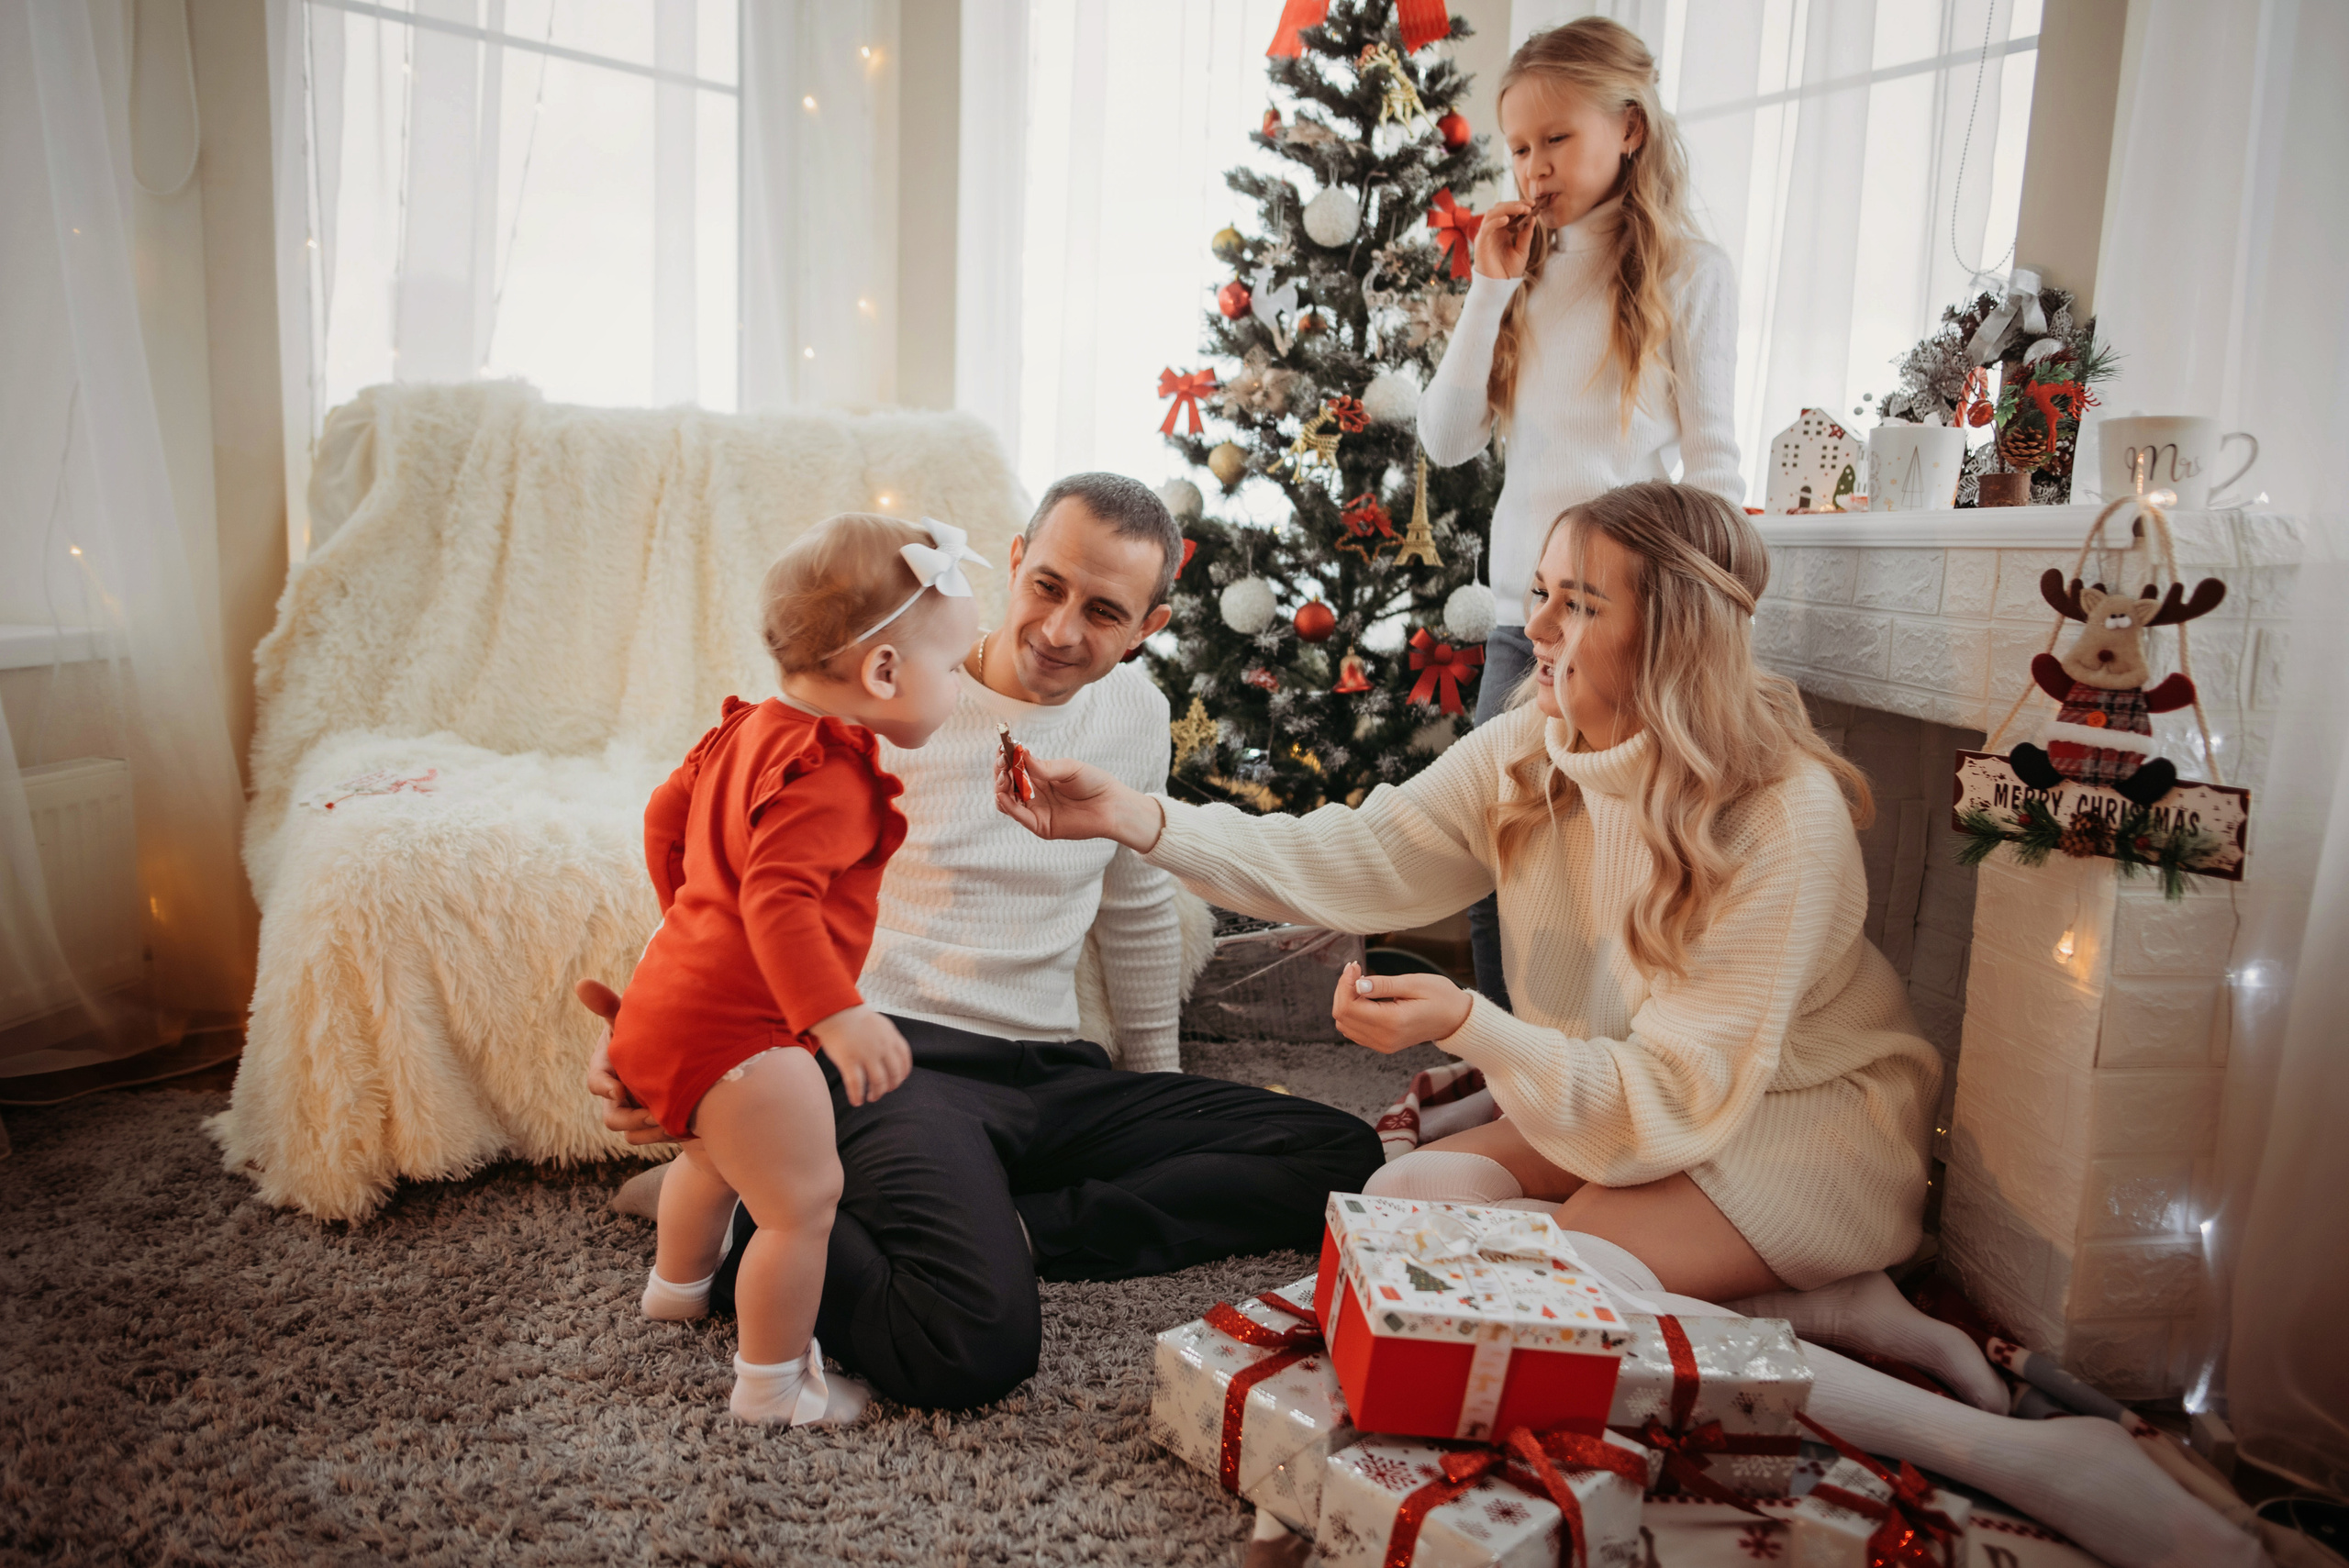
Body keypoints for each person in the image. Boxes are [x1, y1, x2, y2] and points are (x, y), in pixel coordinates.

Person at [996, 483, 2260, 1568]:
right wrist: (1135, 817)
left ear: (1671, 632)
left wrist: (1476, 1026)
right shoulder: (1533, 743)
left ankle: (2016, 1453)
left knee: (1562, 1287)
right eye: (1541, 592)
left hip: (1796, 1122)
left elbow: (1672, 1105)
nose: (1536, 627)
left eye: (1578, 603)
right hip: (1636, 1093)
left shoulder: (1780, 814)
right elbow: (1361, 853)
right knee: (1408, 1196)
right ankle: (1824, 1309)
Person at [586, 473, 1385, 1411]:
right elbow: (729, 877)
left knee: (1340, 1153)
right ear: (1013, 560)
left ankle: (1024, 1228)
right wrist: (670, 1041)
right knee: (967, 1341)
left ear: (1148, 626)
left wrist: (1155, 1087)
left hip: (1051, 1072)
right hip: (896, 1061)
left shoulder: (1136, 713)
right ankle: (745, 1217)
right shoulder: (888, 688)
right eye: (1046, 586)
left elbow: (1133, 902)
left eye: (1103, 611)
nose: (1059, 629)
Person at [604, 512, 985, 1426]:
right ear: (883, 671)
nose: (961, 684)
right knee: (802, 1203)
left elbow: (663, 815)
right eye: (954, 666)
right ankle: (772, 1386)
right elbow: (779, 900)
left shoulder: (744, 729)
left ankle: (676, 1286)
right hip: (744, 1032)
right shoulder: (831, 774)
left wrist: (688, 918)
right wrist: (836, 1013)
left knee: (713, 1155)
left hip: (666, 998)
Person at [1418, 17, 1742, 1011]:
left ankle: (1596, 1066)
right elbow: (1447, 439)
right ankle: (1508, 1062)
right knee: (1496, 850)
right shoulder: (1521, 272)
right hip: (1522, 624)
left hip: (1625, 627)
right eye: (1519, 147)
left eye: (1556, 139)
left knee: (1612, 864)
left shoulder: (1690, 273)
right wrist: (1488, 290)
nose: (1534, 167)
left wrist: (1719, 617)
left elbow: (1713, 462)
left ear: (1629, 129)